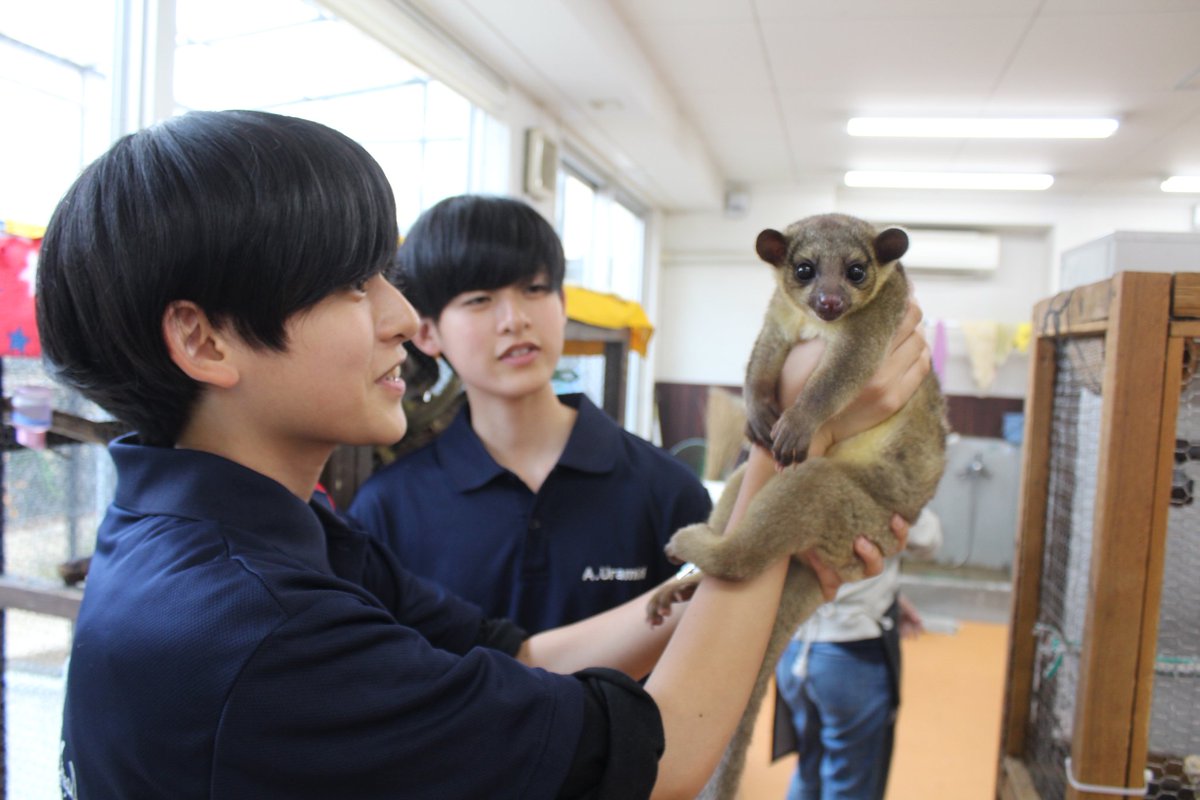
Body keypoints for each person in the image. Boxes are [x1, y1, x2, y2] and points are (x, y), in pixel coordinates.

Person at [37, 109, 924, 799]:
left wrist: (755, 556)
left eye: (535, 290)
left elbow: (526, 658)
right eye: (352, 285)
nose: (397, 319)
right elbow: (667, 750)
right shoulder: (255, 624)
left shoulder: (271, 532)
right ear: (203, 339)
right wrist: (794, 459)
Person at [348, 195, 713, 633]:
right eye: (480, 299)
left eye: (534, 290)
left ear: (561, 306)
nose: (514, 319)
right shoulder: (388, 507)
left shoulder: (667, 490)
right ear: (427, 333)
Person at [773, 508, 944, 800]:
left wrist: (891, 597)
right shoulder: (883, 476)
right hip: (850, 652)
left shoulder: (795, 470)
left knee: (807, 767)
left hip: (795, 644)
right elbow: (928, 538)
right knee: (849, 781)